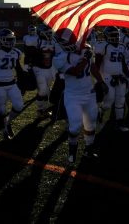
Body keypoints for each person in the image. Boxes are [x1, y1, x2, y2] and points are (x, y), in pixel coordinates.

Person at [53, 33, 108, 163]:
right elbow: (76, 71)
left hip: (89, 94)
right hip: (73, 96)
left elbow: (93, 68)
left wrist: (101, 81)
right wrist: (85, 58)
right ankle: (72, 150)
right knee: (75, 126)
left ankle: (89, 148)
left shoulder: (86, 49)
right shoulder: (60, 57)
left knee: (90, 124)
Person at [0, 29, 26, 140]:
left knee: (19, 106)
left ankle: (7, 122)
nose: (10, 41)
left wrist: (22, 84)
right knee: (2, 109)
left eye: (11, 39)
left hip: (12, 83)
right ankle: (5, 130)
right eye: (7, 39)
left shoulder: (16, 52)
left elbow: (19, 69)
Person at [94, 26, 129, 132]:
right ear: (106, 36)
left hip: (120, 77)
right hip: (107, 77)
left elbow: (123, 63)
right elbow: (96, 64)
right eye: (112, 35)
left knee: (120, 100)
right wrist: (98, 80)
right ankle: (100, 111)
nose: (115, 37)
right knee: (109, 101)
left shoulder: (121, 46)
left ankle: (119, 123)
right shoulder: (103, 46)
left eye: (116, 35)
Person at [28, 24, 56, 118]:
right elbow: (29, 53)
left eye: (50, 33)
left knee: (47, 89)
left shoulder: (54, 41)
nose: (49, 34)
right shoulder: (36, 41)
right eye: (47, 33)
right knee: (43, 90)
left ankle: (44, 109)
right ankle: (40, 109)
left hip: (49, 68)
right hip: (38, 68)